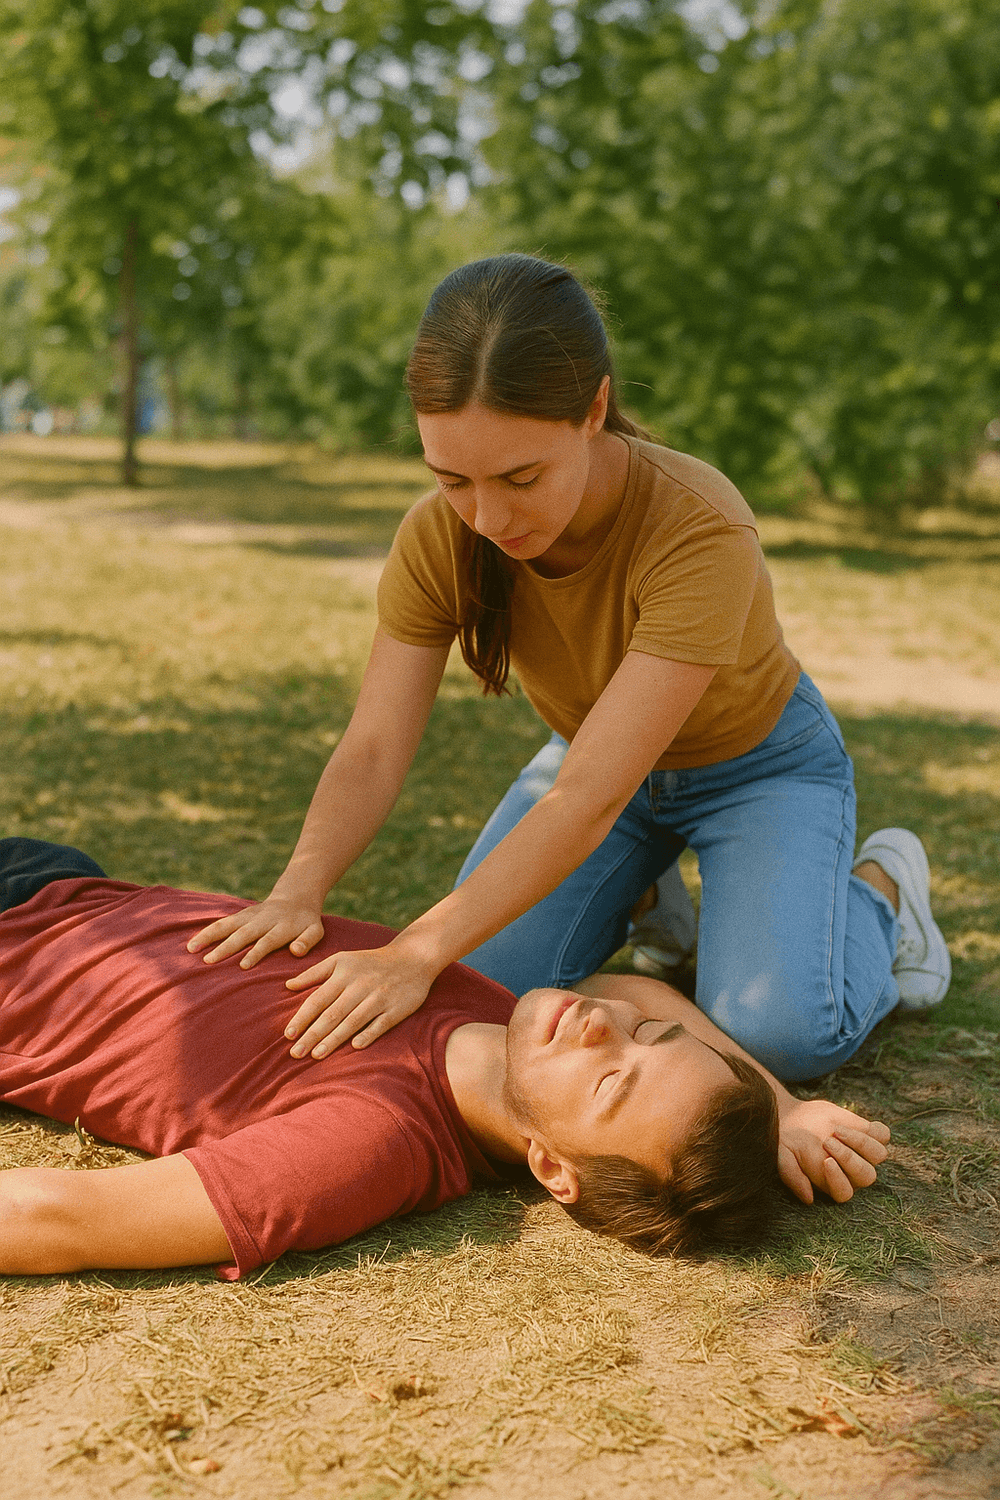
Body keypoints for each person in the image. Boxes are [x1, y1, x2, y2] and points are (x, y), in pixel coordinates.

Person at [187, 254, 951, 1084]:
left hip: (759, 768)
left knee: (782, 1038)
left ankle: (883, 896)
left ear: (594, 409)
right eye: (452, 480)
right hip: (594, 763)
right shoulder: (439, 538)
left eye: (521, 477)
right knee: (482, 996)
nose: (486, 517)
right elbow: (373, 747)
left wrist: (413, 949)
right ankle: (653, 900)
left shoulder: (700, 526)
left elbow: (584, 799)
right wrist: (300, 887)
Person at [0, 839, 891, 1277]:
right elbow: (647, 993)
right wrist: (780, 1108)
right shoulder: (512, 1023)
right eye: (642, 1037)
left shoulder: (364, 1146)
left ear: (552, 1166)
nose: (601, 1025)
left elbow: (63, 1218)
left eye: (613, 1081)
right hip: (64, 881)